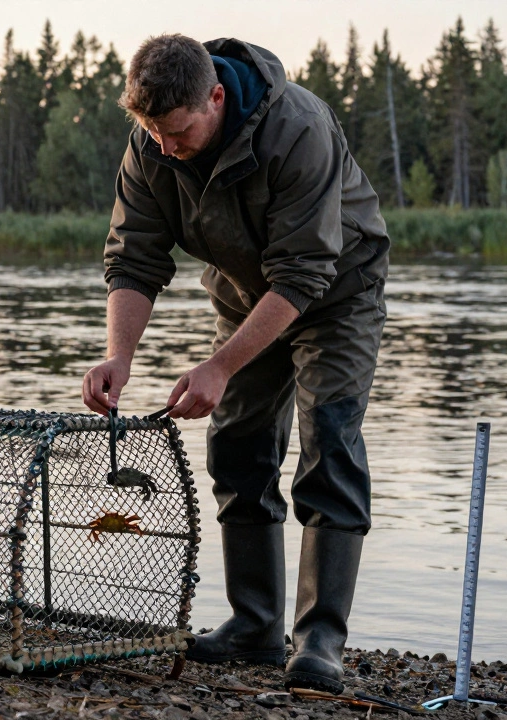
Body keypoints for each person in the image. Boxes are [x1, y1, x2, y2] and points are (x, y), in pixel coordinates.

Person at [80, 34, 390, 694]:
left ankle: (320, 642)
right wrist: (120, 357)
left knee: (329, 447)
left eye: (177, 130)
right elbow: (135, 257)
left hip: (336, 291)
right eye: (151, 131)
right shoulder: (152, 146)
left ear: (215, 97)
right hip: (246, 290)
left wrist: (217, 367)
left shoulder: (298, 129)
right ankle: (253, 626)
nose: (164, 146)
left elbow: (304, 274)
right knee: (238, 446)